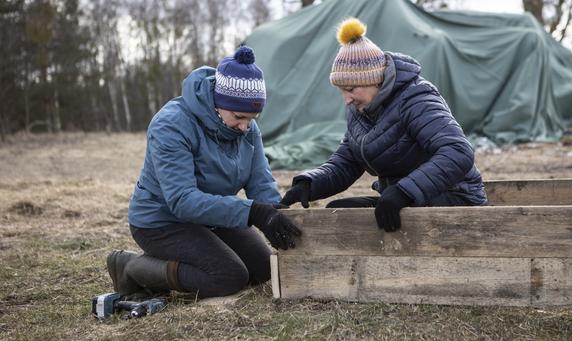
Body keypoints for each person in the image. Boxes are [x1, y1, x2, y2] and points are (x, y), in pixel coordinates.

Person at [107, 46, 301, 299]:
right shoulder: (171, 124)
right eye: (239, 117)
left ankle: (191, 255)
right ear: (219, 104)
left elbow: (260, 180)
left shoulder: (247, 128)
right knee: (228, 276)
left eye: (252, 118)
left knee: (263, 268)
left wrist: (278, 214)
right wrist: (252, 212)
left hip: (211, 218)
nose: (245, 127)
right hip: (162, 222)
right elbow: (182, 201)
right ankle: (131, 268)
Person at [281, 18, 488, 232]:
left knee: (361, 222)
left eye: (351, 89)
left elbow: (457, 152)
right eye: (342, 91)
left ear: (375, 79)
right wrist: (310, 184)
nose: (346, 100)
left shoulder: (416, 99)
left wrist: (404, 191)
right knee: (341, 211)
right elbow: (347, 161)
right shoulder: (361, 109)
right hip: (406, 199)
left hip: (455, 198)